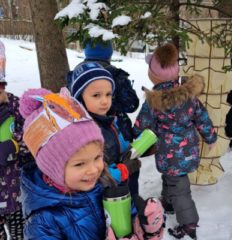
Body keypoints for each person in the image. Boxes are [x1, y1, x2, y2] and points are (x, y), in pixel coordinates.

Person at [133, 43, 217, 239]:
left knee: (180, 188)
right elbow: (202, 118)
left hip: (170, 155)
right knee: (171, 179)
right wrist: (210, 136)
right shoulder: (189, 97)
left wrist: (132, 136)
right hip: (188, 150)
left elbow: (141, 124)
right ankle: (168, 202)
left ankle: (189, 224)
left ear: (153, 75)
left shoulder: (153, 102)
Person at [19, 87, 107, 239]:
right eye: (80, 164)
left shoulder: (102, 185)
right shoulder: (44, 222)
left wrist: (145, 224)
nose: (93, 170)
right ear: (53, 169)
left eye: (97, 157)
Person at [73, 41, 141, 195]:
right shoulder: (85, 131)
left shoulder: (111, 120)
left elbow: (118, 144)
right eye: (96, 95)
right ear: (80, 98)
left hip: (123, 188)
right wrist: (124, 169)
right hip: (107, 199)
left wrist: (133, 151)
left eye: (108, 94)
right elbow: (96, 177)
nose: (104, 101)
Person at [0, 40, 32, 240]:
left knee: (22, 234)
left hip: (16, 192)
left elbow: (33, 132)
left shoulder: (13, 104)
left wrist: (16, 144)